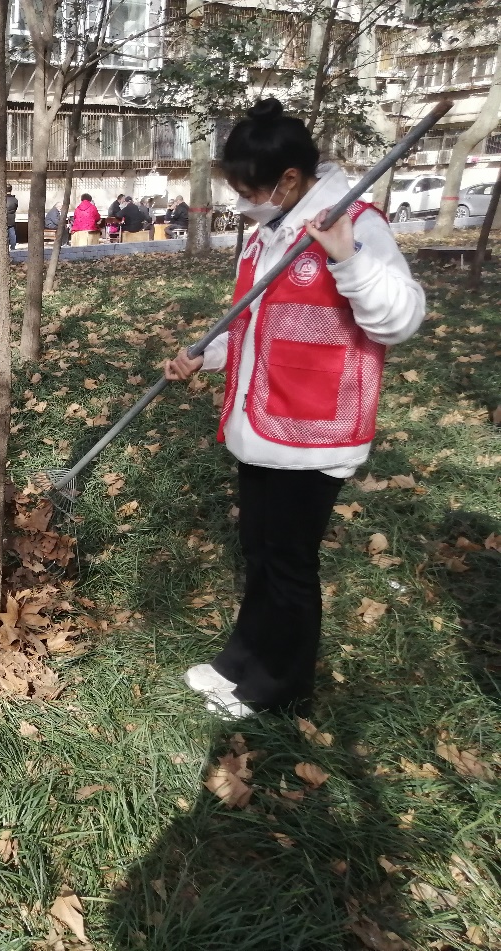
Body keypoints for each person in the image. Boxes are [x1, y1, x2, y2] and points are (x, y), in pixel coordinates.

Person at [164, 98, 424, 718]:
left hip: (314, 428)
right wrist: (208, 354)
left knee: (289, 562)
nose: (243, 204)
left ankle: (279, 687)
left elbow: (401, 319)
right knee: (259, 550)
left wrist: (347, 256)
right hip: (262, 420)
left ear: (287, 179)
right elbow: (259, 325)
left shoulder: (355, 224)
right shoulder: (270, 233)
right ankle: (241, 663)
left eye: (249, 191)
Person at [6, 184, 19, 250]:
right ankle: (13, 246)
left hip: (4, 217)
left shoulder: (2, 199)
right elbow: (16, 208)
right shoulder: (14, 199)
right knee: (12, 232)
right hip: (11, 217)